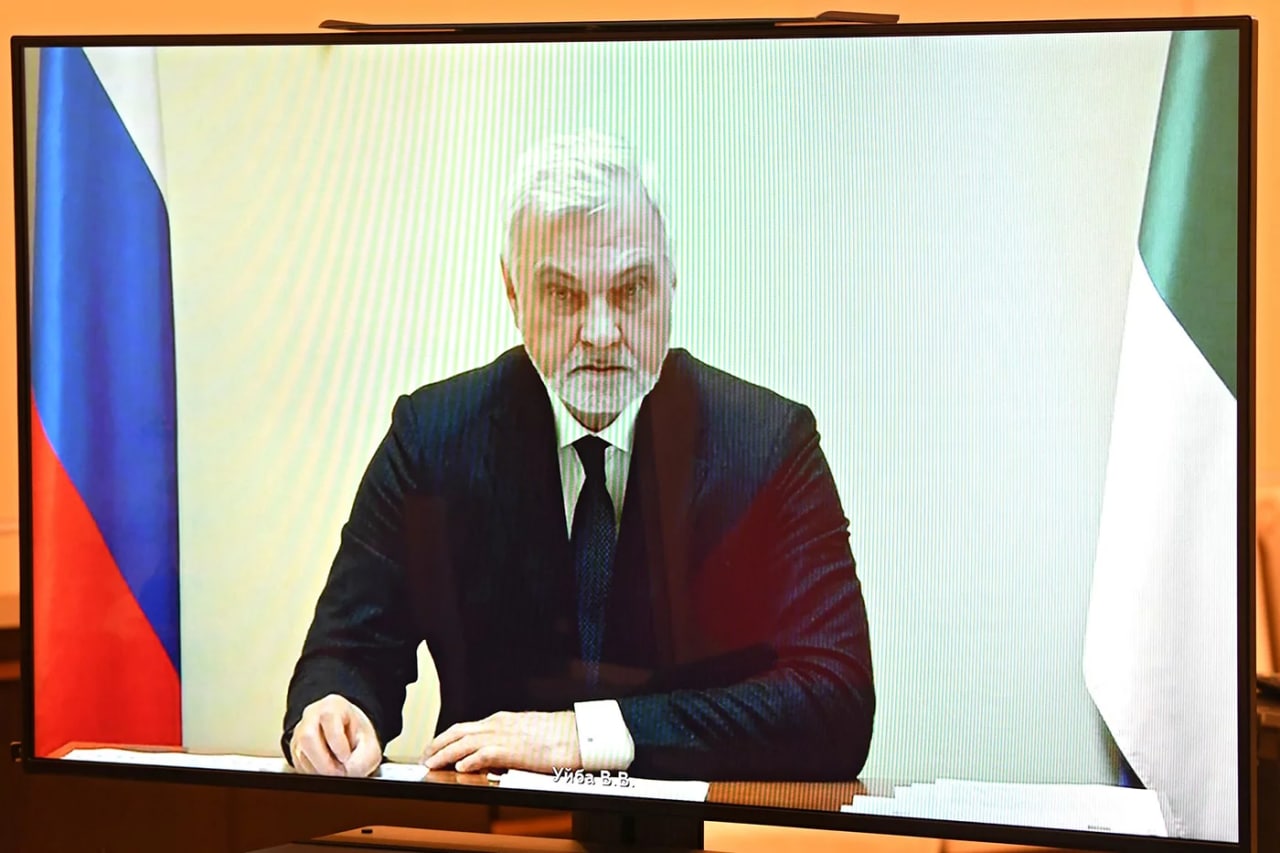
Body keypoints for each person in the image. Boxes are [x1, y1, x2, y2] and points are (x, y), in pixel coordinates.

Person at [283, 131, 874, 781]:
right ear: (513, 294)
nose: (599, 333)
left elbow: (836, 701)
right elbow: (348, 653)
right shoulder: (433, 437)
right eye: (563, 294)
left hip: (702, 832)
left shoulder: (767, 443)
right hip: (490, 825)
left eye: (631, 289)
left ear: (672, 281)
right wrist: (335, 712)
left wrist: (587, 735)